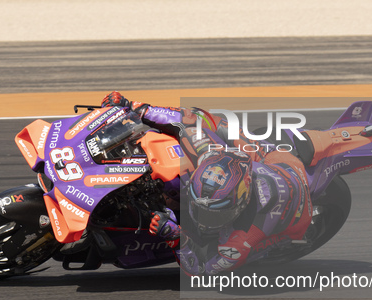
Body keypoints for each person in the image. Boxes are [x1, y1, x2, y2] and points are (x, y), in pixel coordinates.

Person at [101, 91, 312, 275]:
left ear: (241, 204)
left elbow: (201, 271)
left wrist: (176, 238)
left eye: (216, 214)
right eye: (201, 209)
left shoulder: (240, 239)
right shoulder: (207, 154)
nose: (204, 220)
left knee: (245, 255)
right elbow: (186, 119)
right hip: (257, 163)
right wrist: (131, 107)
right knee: (209, 120)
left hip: (289, 184)